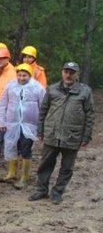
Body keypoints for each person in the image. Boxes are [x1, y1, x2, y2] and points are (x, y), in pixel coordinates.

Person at [29, 62, 94, 204]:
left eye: (72, 72)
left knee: (67, 168)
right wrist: (40, 130)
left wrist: (86, 136)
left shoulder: (85, 91)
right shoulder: (52, 90)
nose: (68, 75)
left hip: (72, 136)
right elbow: (43, 111)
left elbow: (89, 115)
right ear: (62, 72)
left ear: (77, 74)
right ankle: (41, 190)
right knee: (45, 164)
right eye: (66, 71)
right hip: (52, 134)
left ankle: (57, 192)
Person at [0, 63, 45, 189]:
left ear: (29, 75)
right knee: (12, 146)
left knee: (26, 149)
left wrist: (42, 125)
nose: (21, 78)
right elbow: (3, 104)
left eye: (24, 75)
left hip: (29, 125)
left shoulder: (37, 87)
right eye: (19, 75)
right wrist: (1, 121)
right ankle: (12, 173)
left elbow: (44, 106)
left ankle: (24, 177)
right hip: (12, 124)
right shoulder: (10, 86)